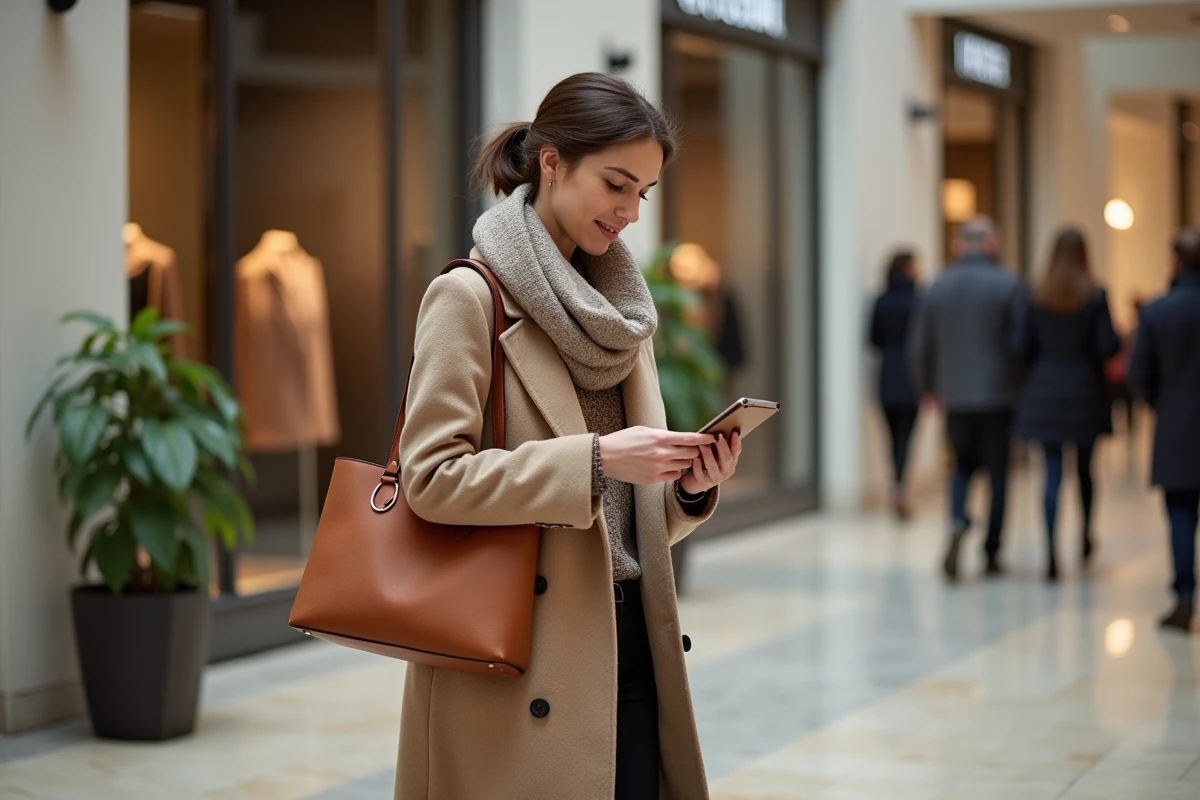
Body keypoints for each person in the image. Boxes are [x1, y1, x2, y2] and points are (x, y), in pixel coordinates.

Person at [394, 73, 741, 799]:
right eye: (617, 183)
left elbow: (614, 521)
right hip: (518, 655)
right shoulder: (469, 297)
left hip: (630, 643)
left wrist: (685, 488)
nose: (631, 211)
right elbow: (427, 480)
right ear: (551, 162)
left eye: (642, 192)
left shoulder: (620, 316)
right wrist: (592, 461)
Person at [909, 216, 1028, 581]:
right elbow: (1022, 345)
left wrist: (928, 387)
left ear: (959, 246)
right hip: (998, 396)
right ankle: (991, 551)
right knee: (997, 474)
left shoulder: (937, 287)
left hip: (955, 395)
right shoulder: (1009, 285)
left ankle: (958, 520)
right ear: (991, 244)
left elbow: (919, 346)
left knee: (960, 466)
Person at [1013, 227, 1120, 582]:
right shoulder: (1095, 295)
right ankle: (1085, 536)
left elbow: (1020, 345)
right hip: (1085, 393)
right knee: (1087, 471)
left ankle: (1050, 552)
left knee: (1052, 474)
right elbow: (1108, 345)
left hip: (1045, 393)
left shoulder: (1036, 295)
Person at [1127, 227, 1200, 633]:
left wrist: (1162, 404)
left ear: (1174, 260)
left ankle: (1185, 594)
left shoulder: (1157, 311)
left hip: (1176, 424)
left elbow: (1138, 373)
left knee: (1180, 514)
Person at [869, 249, 922, 520]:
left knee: (891, 437)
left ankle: (895, 484)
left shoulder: (881, 301)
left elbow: (872, 339)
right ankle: (900, 485)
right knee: (906, 436)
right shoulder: (918, 300)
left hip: (887, 374)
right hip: (912, 376)